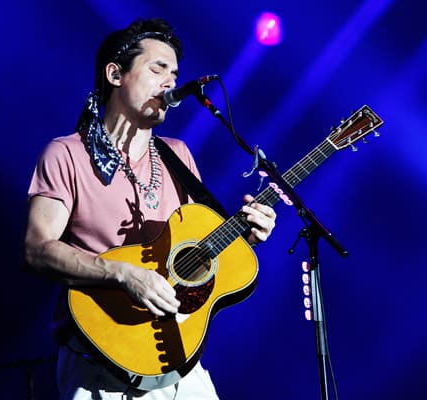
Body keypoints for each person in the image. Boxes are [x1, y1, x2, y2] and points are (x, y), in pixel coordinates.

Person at [23, 17, 276, 400]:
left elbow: (196, 255)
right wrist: (124, 274)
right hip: (99, 363)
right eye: (157, 69)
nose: (170, 82)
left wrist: (246, 236)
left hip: (177, 358)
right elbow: (37, 250)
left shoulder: (177, 155)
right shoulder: (66, 154)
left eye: (174, 73)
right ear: (115, 74)